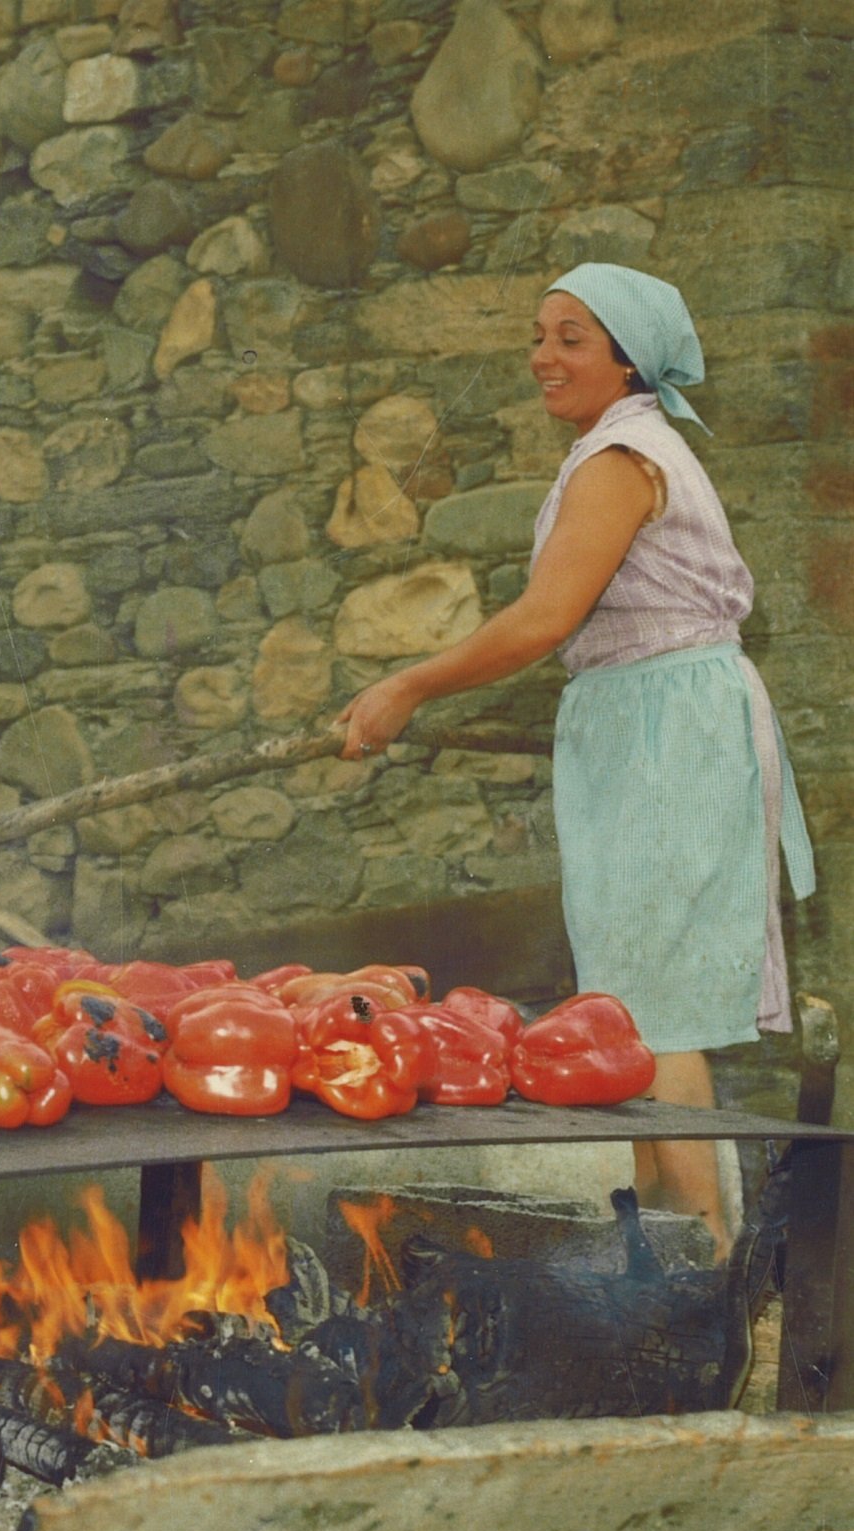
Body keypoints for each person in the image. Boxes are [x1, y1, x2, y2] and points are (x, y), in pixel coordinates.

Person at [337, 263, 815, 1250]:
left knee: (658, 1008)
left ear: (626, 359)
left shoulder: (622, 456)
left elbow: (544, 617)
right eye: (539, 335)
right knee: (632, 1006)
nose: (541, 357)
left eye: (570, 338)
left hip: (668, 738)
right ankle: (667, 1257)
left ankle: (702, 1265)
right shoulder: (620, 448)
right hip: (642, 728)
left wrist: (407, 684)